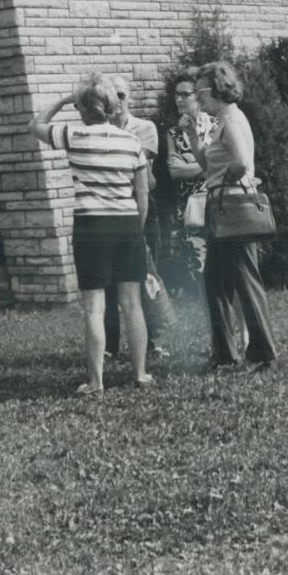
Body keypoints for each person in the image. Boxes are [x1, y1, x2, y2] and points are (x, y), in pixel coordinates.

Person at [31, 72, 152, 394]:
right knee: (133, 304)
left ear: (83, 108)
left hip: (92, 226)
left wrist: (61, 101)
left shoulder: (73, 135)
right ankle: (140, 373)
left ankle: (97, 381)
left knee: (95, 307)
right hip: (127, 225)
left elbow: (35, 126)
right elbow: (143, 195)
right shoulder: (132, 142)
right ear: (112, 106)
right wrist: (136, 230)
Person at [195, 61, 278, 372]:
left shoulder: (231, 120)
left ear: (217, 89)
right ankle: (225, 353)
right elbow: (208, 164)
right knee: (214, 282)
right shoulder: (221, 121)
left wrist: (227, 179)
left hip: (232, 207)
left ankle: (264, 354)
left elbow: (241, 163)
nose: (197, 97)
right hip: (222, 207)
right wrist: (194, 137)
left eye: (200, 91)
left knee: (245, 279)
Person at [104, 73, 163, 361]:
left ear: (129, 97)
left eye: (122, 95)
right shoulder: (96, 130)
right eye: (112, 97)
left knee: (146, 273)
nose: (118, 102)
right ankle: (109, 345)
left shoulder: (145, 127)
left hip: (140, 204)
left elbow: (142, 173)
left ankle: (153, 340)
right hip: (111, 206)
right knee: (107, 281)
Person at [164, 71, 215, 295]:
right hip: (188, 206)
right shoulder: (174, 133)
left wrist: (192, 165)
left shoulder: (216, 125)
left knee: (218, 256)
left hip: (214, 201)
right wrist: (205, 165)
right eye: (176, 95)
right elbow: (174, 171)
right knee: (197, 260)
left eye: (185, 94)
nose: (179, 99)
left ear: (198, 97)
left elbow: (220, 165)